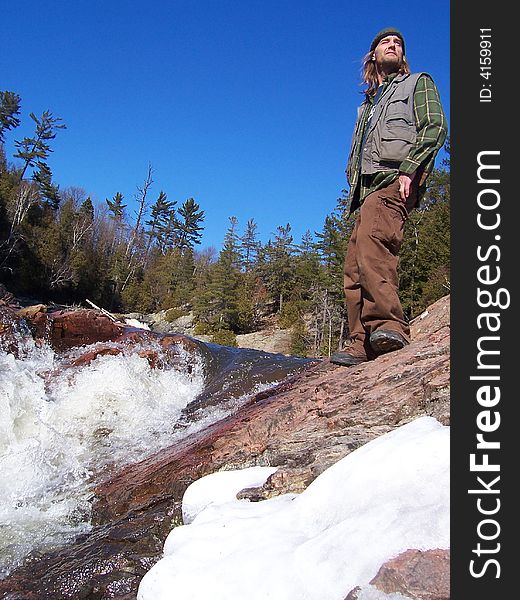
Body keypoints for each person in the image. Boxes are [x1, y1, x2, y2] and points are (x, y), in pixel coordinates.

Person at [330, 27, 447, 367]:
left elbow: (435, 126)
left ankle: (389, 325)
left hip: (396, 180)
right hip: (366, 192)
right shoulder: (367, 107)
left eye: (399, 43)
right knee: (353, 266)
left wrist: (410, 168)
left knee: (373, 246)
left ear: (403, 56)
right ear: (373, 56)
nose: (393, 45)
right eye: (386, 42)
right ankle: (359, 342)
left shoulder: (417, 83)